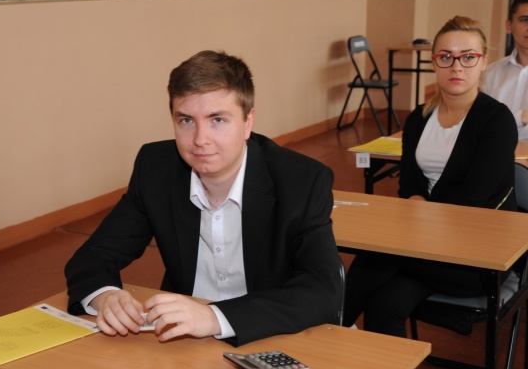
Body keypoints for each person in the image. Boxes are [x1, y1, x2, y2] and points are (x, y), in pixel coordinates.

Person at [65, 50, 343, 347]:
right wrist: (105, 295)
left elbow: (322, 292)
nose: (200, 139)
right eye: (186, 120)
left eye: (217, 120)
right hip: (180, 342)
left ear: (248, 121)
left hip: (269, 335)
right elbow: (94, 255)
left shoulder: (301, 181)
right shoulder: (156, 168)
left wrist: (214, 317)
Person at [343, 16, 518, 341]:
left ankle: (325, 330)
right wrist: (416, 212)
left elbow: (471, 202)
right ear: (434, 62)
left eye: (468, 57)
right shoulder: (418, 118)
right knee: (384, 304)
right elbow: (409, 184)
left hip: (475, 256)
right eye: (446, 57)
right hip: (423, 248)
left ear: (483, 62)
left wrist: (416, 226)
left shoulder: (497, 120)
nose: (456, 66)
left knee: (376, 256)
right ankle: (340, 338)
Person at [482, 0, 528, 141]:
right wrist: (521, 116)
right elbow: (478, 121)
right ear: (509, 26)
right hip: (492, 152)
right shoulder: (489, 73)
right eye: (525, 20)